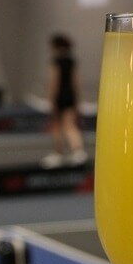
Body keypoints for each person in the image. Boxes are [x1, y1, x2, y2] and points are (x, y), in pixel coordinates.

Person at [40, 33, 87, 168]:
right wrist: (77, 101)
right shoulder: (72, 61)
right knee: (71, 125)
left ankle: (59, 153)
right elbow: (75, 82)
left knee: (58, 126)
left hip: (59, 97)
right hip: (70, 96)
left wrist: (50, 99)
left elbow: (54, 82)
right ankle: (78, 151)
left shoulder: (56, 61)